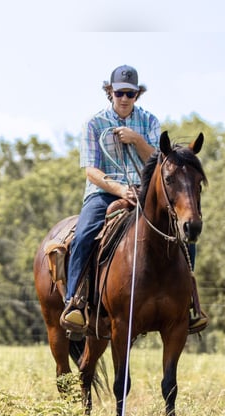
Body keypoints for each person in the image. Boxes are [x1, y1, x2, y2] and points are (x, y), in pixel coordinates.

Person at [60, 65, 208, 335]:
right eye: (119, 93)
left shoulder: (149, 121)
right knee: (84, 233)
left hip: (144, 191)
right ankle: (76, 302)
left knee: (184, 234)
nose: (125, 99)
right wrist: (117, 189)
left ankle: (188, 303)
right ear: (110, 93)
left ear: (137, 95)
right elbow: (90, 171)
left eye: (131, 93)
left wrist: (137, 140)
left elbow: (163, 162)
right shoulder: (94, 124)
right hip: (104, 191)